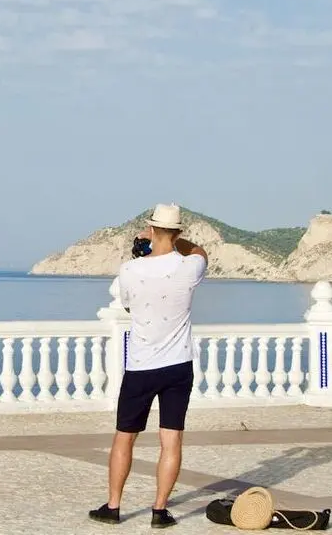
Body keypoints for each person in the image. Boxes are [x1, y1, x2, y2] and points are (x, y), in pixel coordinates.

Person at [88, 203, 208, 529]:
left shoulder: (130, 269)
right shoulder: (190, 267)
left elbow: (128, 305)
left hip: (141, 366)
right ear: (179, 232)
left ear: (151, 229)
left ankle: (113, 507)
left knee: (124, 438)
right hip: (178, 366)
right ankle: (159, 511)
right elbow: (200, 252)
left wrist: (146, 247)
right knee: (171, 440)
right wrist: (174, 242)